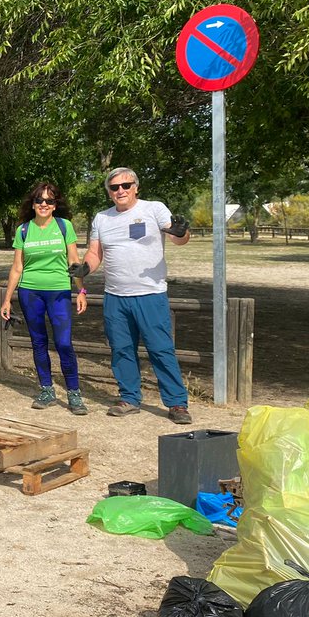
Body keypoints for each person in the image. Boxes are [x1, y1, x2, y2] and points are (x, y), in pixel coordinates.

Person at [81, 166, 193, 424]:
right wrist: (85, 268)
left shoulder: (154, 209)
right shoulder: (102, 218)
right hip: (115, 296)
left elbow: (178, 238)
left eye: (126, 185)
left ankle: (177, 403)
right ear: (109, 192)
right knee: (121, 350)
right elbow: (95, 253)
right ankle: (129, 398)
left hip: (150, 294)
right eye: (114, 187)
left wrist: (181, 232)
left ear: (136, 187)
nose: (120, 190)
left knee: (161, 349)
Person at [0, 182, 89, 414]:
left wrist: (81, 291)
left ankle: (74, 394)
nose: (44, 204)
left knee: (64, 343)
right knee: (38, 342)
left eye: (49, 200)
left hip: (59, 291)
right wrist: (7, 299)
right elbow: (17, 267)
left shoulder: (64, 226)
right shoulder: (23, 230)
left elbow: (74, 262)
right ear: (32, 204)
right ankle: (47, 390)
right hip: (30, 292)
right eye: (39, 200)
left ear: (55, 205)